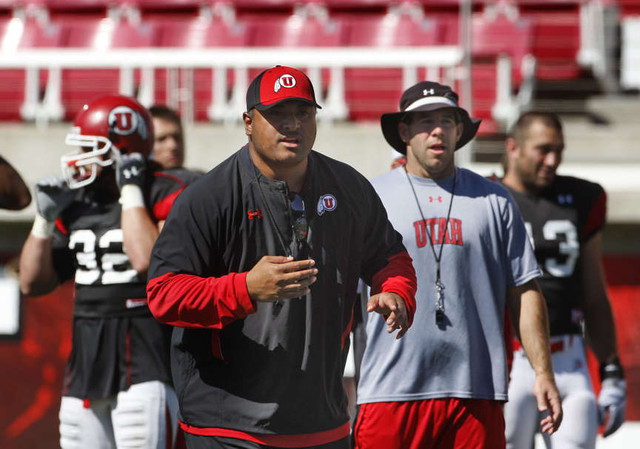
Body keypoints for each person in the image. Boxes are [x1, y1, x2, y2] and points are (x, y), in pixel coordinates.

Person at [146, 65, 417, 449]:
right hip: (227, 425)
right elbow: (163, 294)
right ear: (248, 122)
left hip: (322, 421)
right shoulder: (208, 197)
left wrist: (395, 290)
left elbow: (389, 255)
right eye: (277, 114)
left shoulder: (349, 186)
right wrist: (245, 288)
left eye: (303, 113)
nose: (292, 124)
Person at [352, 81, 563, 449]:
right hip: (388, 390)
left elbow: (525, 291)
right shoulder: (370, 197)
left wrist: (543, 372)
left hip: (476, 392)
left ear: (460, 130)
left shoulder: (494, 199)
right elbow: (341, 298)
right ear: (403, 131)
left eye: (447, 120)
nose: (437, 130)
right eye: (424, 120)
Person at [19, 95, 195, 449]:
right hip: (85, 368)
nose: (79, 156)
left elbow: (147, 260)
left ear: (121, 147)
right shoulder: (79, 200)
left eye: (90, 146)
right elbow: (32, 282)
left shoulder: (167, 188)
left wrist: (130, 190)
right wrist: (44, 219)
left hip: (147, 363)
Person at [500, 111, 626, 449]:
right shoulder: (486, 197)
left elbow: (593, 290)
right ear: (513, 147)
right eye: (543, 149)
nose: (552, 160)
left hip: (568, 356)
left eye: (559, 150)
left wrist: (611, 368)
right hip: (508, 356)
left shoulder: (582, 199)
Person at [149, 105, 186, 170]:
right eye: (161, 139)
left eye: (177, 137)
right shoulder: (131, 179)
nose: (173, 146)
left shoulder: (200, 178)